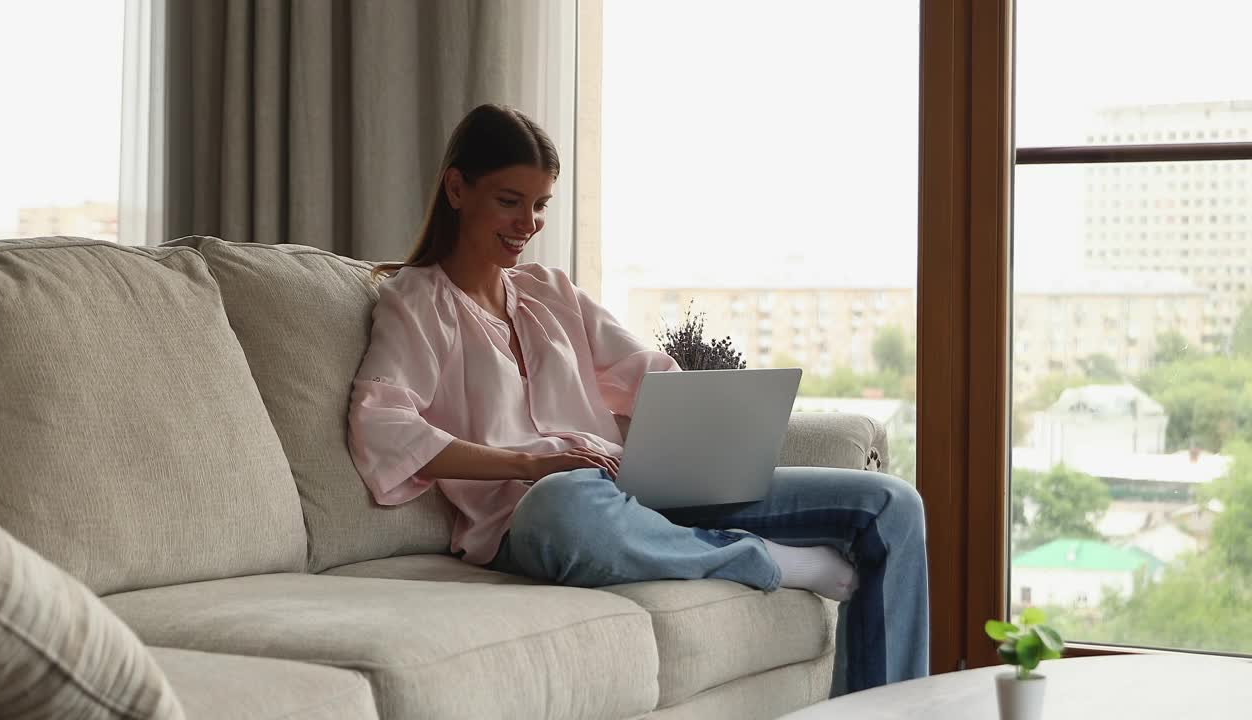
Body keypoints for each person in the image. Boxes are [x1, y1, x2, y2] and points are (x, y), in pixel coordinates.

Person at [347, 103, 928, 696]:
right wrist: (530, 465)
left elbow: (650, 376)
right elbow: (383, 427)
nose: (528, 222)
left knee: (892, 506)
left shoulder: (551, 291)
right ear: (456, 188)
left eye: (541, 204)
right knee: (564, 504)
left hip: (639, 488)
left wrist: (708, 432)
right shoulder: (416, 301)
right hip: (539, 515)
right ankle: (769, 560)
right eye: (509, 200)